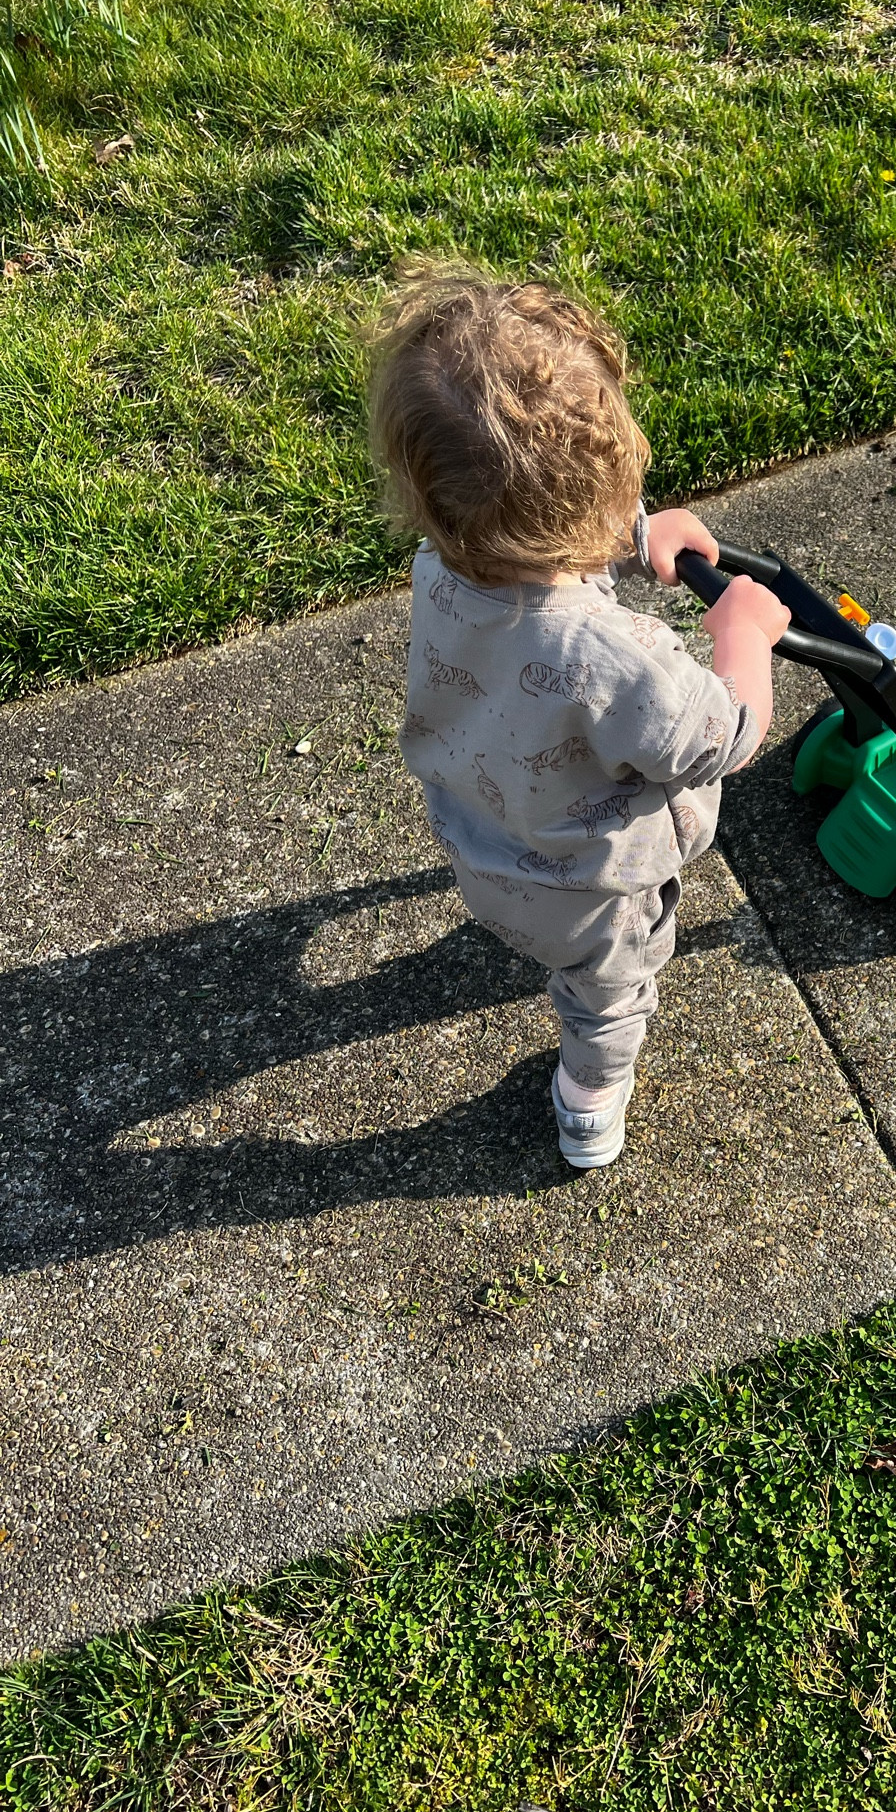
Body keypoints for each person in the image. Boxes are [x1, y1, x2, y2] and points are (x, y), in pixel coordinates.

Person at [370, 262, 791, 1168]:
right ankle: (589, 1106)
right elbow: (725, 736)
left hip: (479, 840)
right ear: (585, 504)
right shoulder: (614, 661)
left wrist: (637, 540)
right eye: (615, 506)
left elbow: (535, 568)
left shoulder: (440, 568)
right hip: (596, 896)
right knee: (610, 996)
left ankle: (544, 983)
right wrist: (744, 635)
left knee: (545, 930)